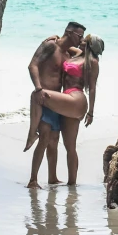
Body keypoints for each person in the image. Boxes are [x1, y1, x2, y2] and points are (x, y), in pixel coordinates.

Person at [26, 34, 105, 186]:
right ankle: (58, 180)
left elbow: (93, 88)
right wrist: (51, 37)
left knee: (38, 96)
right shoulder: (76, 53)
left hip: (77, 100)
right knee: (60, 143)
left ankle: (72, 184)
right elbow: (62, 43)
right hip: (66, 100)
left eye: (84, 39)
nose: (81, 40)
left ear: (89, 45)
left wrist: (91, 112)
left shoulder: (93, 62)